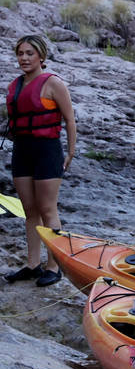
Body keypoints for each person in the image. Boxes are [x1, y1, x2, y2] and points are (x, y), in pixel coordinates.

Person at [4, 35, 76, 286]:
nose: (24, 58)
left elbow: (69, 119)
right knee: (30, 210)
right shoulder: (15, 85)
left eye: (29, 53)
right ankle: (32, 264)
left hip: (47, 150)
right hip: (22, 150)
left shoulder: (53, 83)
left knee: (48, 209)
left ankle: (53, 266)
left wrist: (70, 152)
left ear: (41, 57)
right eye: (20, 53)